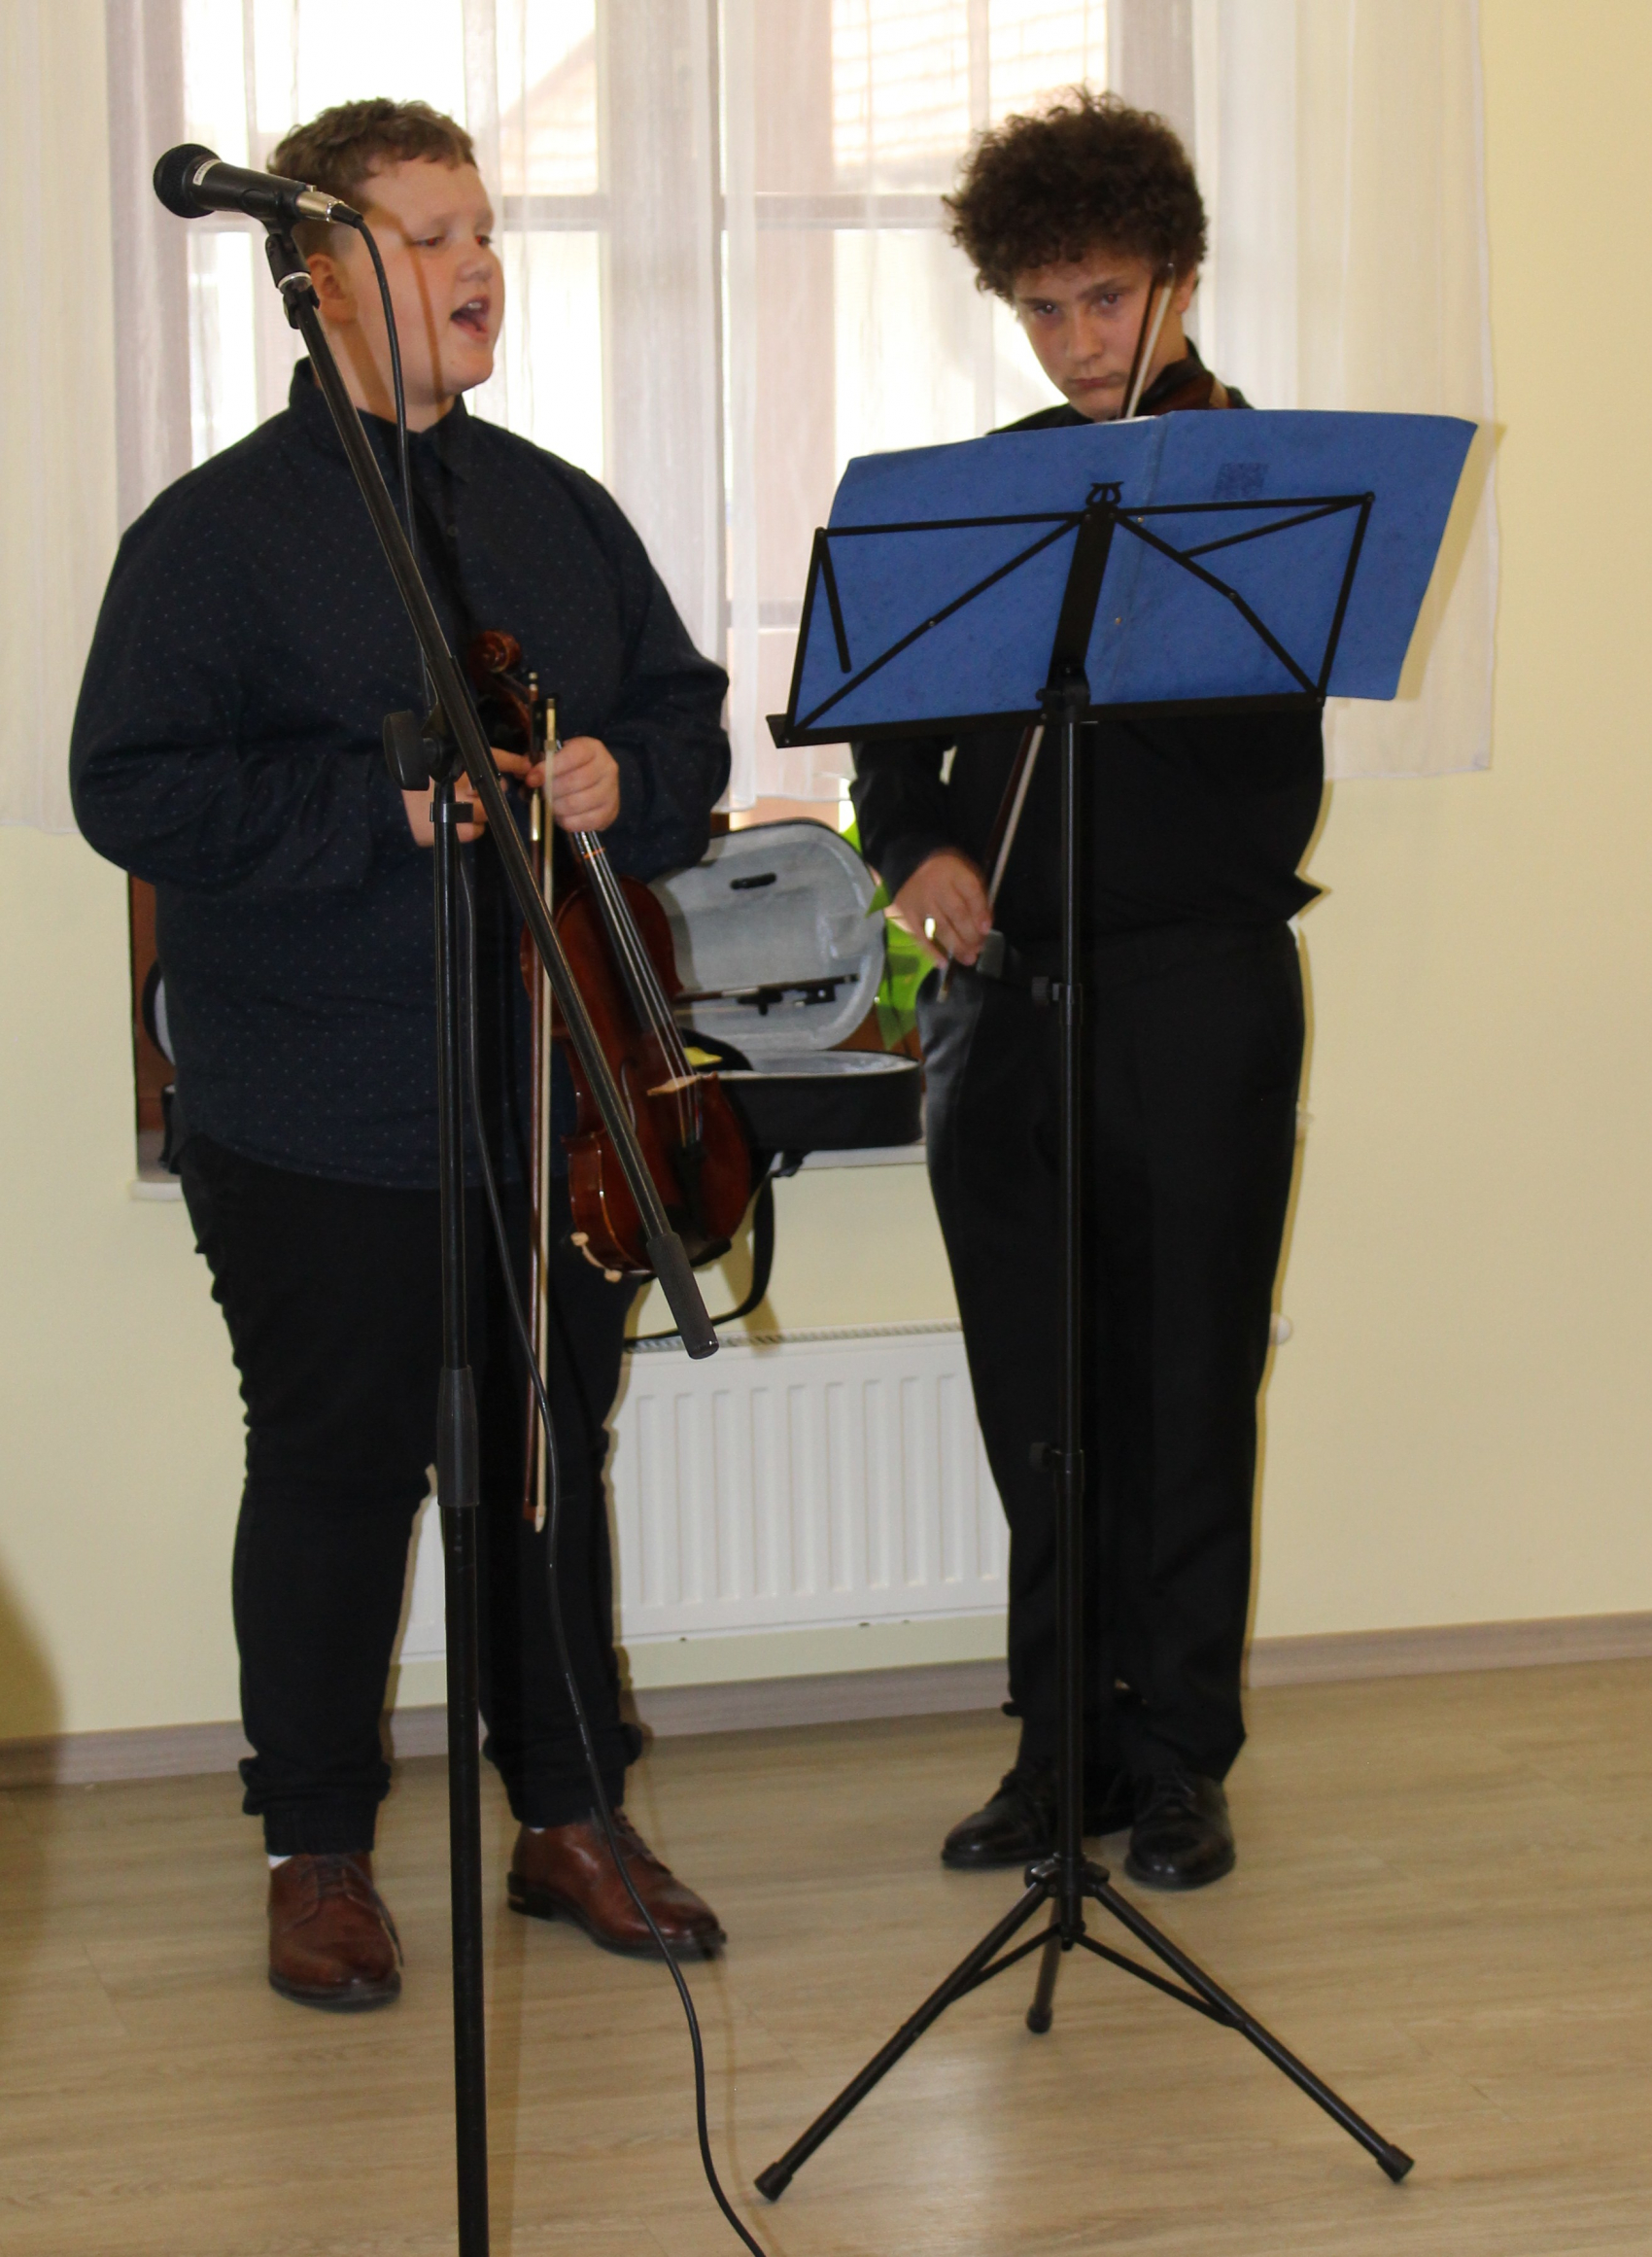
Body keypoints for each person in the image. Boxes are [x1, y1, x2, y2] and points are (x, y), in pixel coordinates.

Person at [72, 100, 730, 2006]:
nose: (476, 267)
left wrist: (624, 776)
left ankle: (569, 1817)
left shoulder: (555, 509)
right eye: (426, 238)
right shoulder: (215, 537)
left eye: (482, 230)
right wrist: (387, 810)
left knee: (546, 1467)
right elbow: (132, 788)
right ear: (319, 277)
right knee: (336, 1474)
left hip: (555, 1103)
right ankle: (318, 1851)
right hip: (313, 1109)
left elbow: (682, 728)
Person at [852, 92, 1322, 1892]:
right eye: (1041, 309)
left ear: (1179, 280)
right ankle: (1063, 1753)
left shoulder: (1271, 492)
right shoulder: (986, 492)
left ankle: (1180, 1758)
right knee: (1037, 1404)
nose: (1074, 343)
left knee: (1189, 1387)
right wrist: (917, 849)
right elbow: (893, 741)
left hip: (1199, 995)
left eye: (1105, 300)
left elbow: (1268, 766)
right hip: (1004, 1006)